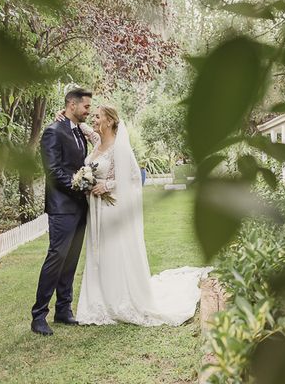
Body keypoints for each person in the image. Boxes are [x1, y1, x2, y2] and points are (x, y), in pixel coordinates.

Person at [58, 104, 211, 326]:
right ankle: (98, 301)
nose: (94, 120)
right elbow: (82, 127)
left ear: (109, 121)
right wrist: (64, 117)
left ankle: (119, 300)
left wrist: (106, 185)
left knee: (113, 251)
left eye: (98, 117)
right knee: (98, 252)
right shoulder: (97, 141)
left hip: (111, 208)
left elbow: (132, 178)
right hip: (96, 209)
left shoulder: (120, 148)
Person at [31, 88, 92, 336]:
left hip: (80, 207)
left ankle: (64, 309)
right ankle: (38, 316)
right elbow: (54, 171)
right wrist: (80, 187)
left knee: (71, 260)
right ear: (71, 104)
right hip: (62, 207)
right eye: (86, 106)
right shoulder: (53, 132)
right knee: (56, 258)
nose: (89, 110)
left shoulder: (79, 132)